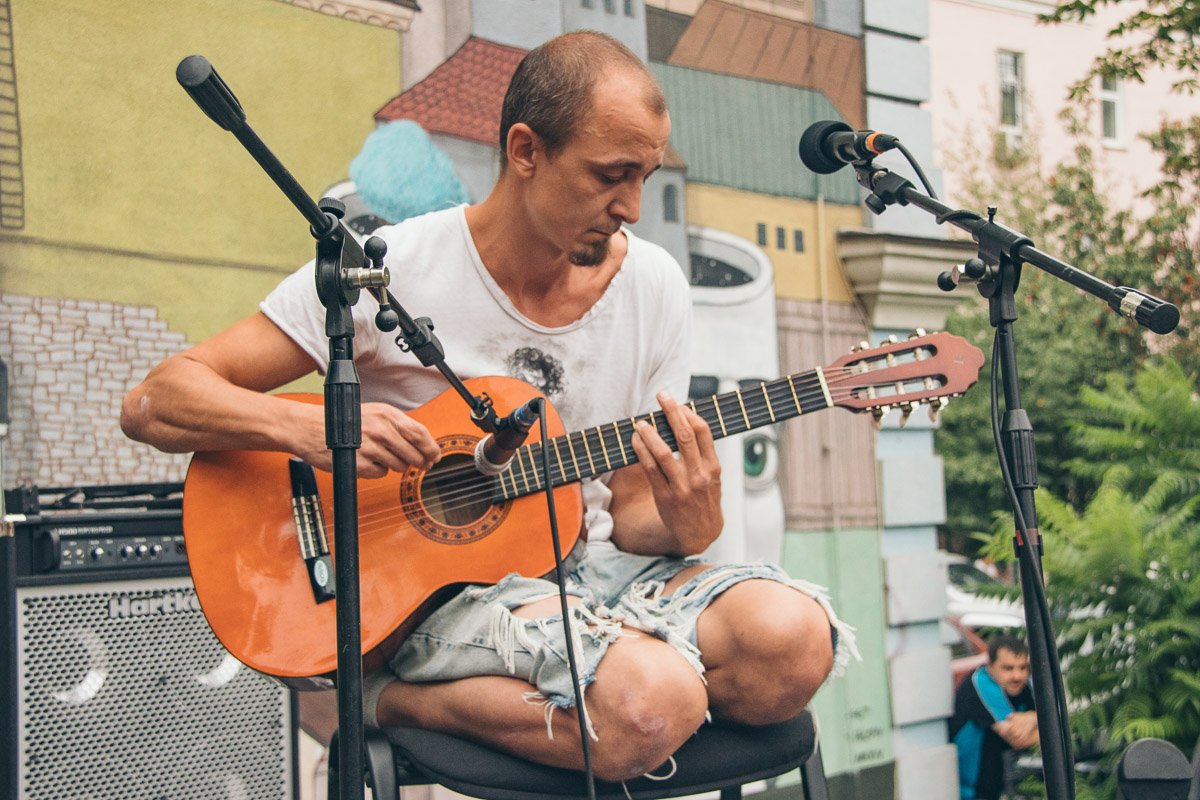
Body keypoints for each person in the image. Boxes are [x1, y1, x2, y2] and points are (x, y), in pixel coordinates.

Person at [121, 30, 855, 782]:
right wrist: (317, 427)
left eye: (646, 175)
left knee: (793, 645)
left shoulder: (655, 286)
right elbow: (155, 402)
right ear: (526, 150)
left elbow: (632, 511)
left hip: (600, 572)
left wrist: (690, 521)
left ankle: (623, 686)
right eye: (611, 175)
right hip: (437, 598)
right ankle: (393, 699)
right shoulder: (396, 269)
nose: (632, 206)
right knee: (649, 705)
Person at [950, 634, 1039, 800]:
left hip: (1003, 787)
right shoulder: (981, 682)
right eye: (1008, 668)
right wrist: (1050, 728)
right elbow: (1016, 738)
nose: (1017, 676)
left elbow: (1051, 717)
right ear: (989, 666)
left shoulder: (1026, 685)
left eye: (1022, 668)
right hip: (970, 792)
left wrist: (1031, 718)